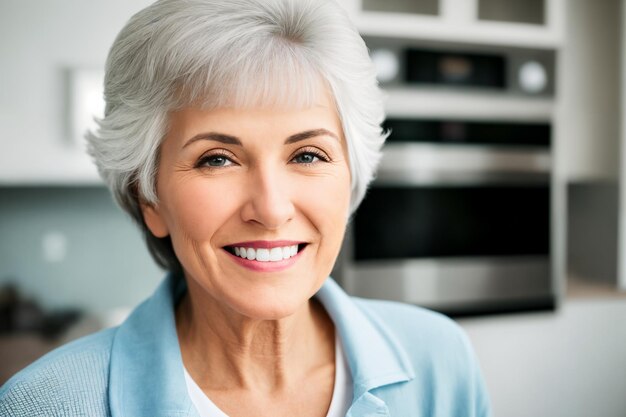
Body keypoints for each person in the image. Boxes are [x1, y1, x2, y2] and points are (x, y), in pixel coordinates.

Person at [0, 0, 490, 416]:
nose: (272, 209)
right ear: (149, 197)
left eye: (307, 154)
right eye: (217, 159)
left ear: (351, 175)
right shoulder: (46, 404)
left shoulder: (439, 362)